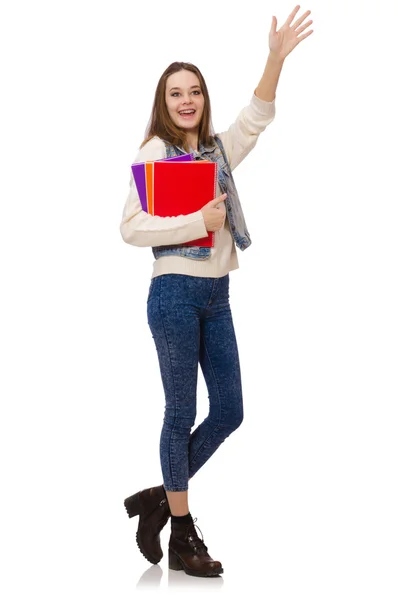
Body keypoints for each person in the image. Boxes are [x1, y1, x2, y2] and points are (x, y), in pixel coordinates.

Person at [120, 5, 313, 578]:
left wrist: (274, 60)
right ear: (164, 101)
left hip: (217, 295)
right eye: (176, 92)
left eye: (196, 92)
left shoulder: (216, 152)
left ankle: (160, 494)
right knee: (180, 412)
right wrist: (196, 220)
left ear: (204, 99)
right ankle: (182, 531)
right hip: (174, 291)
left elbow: (255, 118)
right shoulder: (154, 153)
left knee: (229, 410)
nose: (187, 101)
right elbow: (129, 228)